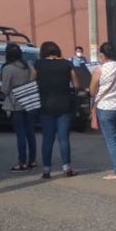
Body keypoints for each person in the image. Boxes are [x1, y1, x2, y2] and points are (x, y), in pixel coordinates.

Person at [35, 41, 79, 179]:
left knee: (47, 138)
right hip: (64, 105)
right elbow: (77, 84)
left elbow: (31, 81)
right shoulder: (67, 64)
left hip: (45, 105)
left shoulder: (38, 64)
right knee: (63, 138)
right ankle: (67, 167)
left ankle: (46, 170)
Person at [90, 42, 116, 180]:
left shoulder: (99, 70)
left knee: (112, 140)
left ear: (102, 55)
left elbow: (92, 90)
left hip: (106, 108)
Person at [0, 43, 37, 171]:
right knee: (30, 132)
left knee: (20, 133)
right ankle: (32, 160)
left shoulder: (8, 68)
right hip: (30, 101)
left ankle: (22, 162)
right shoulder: (28, 66)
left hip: (16, 103)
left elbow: (5, 89)